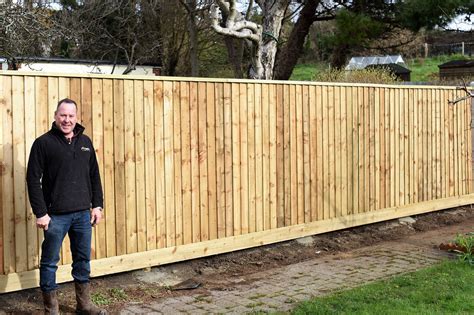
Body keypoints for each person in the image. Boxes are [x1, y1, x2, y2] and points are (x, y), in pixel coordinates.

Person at [26, 98, 106, 315]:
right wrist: (41, 213)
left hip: (82, 214)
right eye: (63, 115)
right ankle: (51, 310)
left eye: (71, 116)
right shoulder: (43, 143)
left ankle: (84, 305)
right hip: (55, 216)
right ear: (55, 116)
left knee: (82, 260)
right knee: (50, 262)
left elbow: (94, 176)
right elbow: (33, 179)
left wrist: (97, 206)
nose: (67, 120)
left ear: (76, 117)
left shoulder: (85, 142)